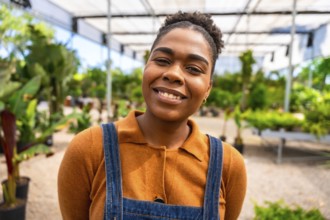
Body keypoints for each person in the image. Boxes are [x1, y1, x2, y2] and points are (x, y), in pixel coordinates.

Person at [58, 11, 247, 220]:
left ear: (208, 88)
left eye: (193, 69)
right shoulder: (90, 148)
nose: (173, 74)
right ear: (146, 68)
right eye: (162, 60)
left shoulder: (227, 165)